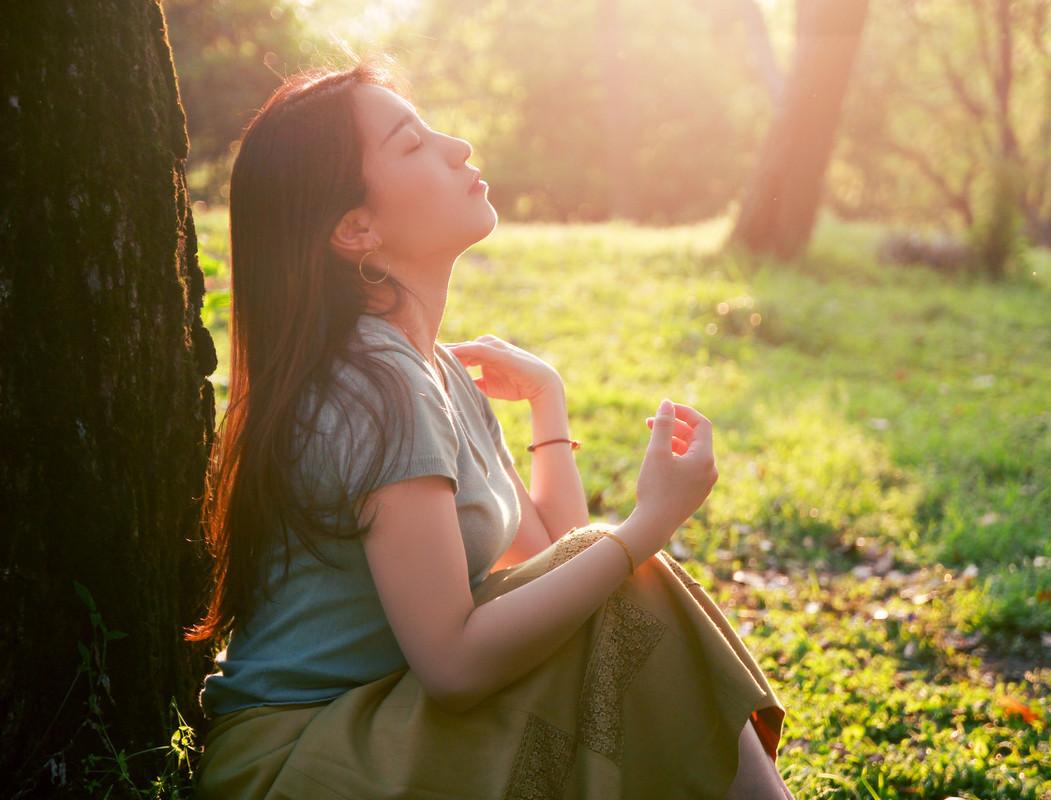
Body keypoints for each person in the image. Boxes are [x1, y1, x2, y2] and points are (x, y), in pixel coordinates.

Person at [187, 56, 790, 799]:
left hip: (383, 725)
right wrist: (647, 524)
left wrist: (548, 405)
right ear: (356, 228)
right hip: (304, 759)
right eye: (412, 145)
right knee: (633, 577)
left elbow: (555, 573)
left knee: (623, 585)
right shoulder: (377, 387)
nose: (458, 147)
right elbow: (455, 667)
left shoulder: (428, 369)